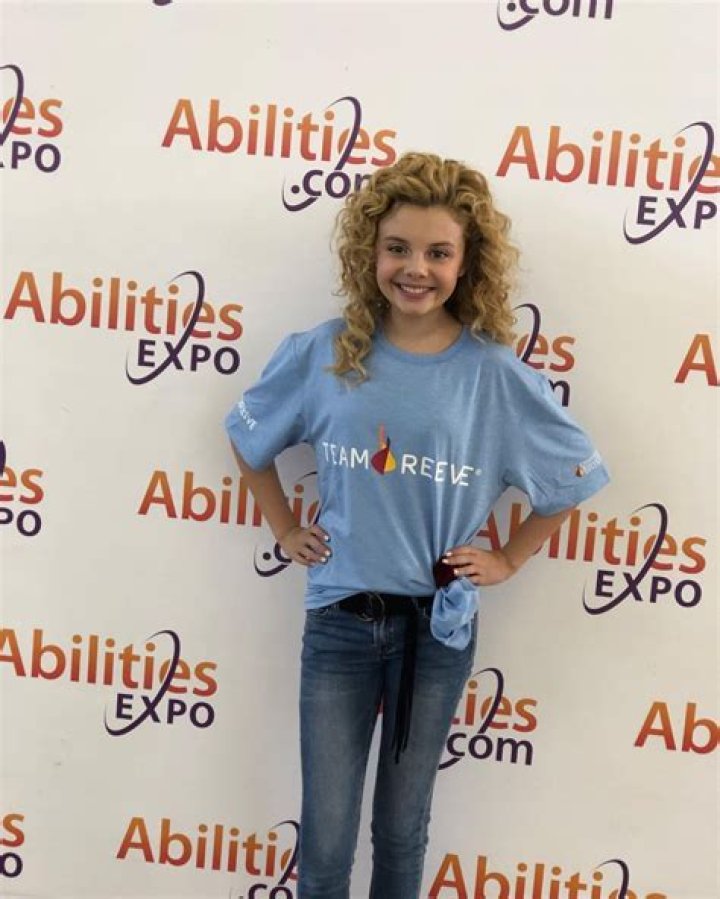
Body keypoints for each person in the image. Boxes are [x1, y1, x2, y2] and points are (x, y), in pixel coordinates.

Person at [225, 151, 609, 899]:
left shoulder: (492, 375)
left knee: (402, 831)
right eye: (398, 247)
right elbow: (248, 437)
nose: (416, 269)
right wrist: (284, 527)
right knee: (326, 840)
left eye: (438, 253)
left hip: (436, 633)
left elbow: (574, 477)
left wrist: (509, 558)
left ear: (466, 263)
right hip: (338, 624)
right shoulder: (326, 353)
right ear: (369, 251)